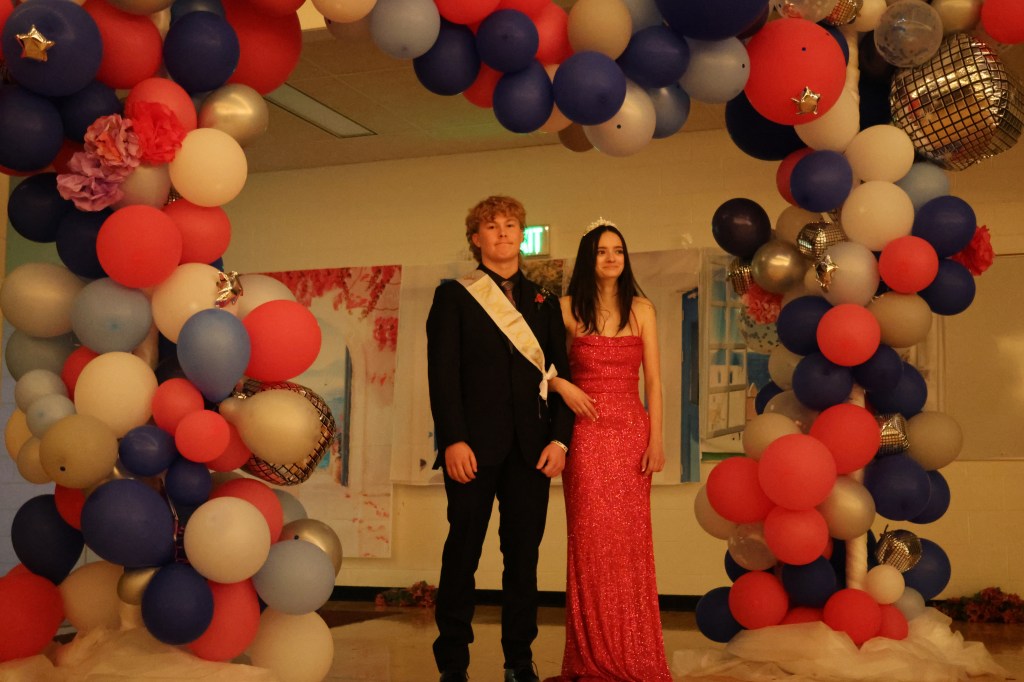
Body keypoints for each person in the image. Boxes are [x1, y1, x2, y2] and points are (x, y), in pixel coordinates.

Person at [426, 195, 575, 682]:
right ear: (476, 238)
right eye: (492, 226)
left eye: (511, 225)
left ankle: (519, 660)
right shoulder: (454, 296)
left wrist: (560, 441)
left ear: (521, 235)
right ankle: (453, 664)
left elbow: (560, 374)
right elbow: (443, 375)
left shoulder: (544, 300)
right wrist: (453, 439)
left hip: (532, 451)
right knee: (462, 554)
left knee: (523, 559)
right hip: (472, 448)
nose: (504, 233)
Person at [546, 220, 672, 682]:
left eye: (618, 250)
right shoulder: (564, 309)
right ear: (588, 257)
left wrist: (657, 439)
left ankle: (633, 651)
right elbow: (534, 365)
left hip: (632, 432)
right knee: (590, 543)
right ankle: (590, 654)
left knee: (630, 545)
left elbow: (654, 381)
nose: (612, 258)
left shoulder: (642, 309)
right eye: (602, 251)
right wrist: (562, 386)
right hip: (585, 436)